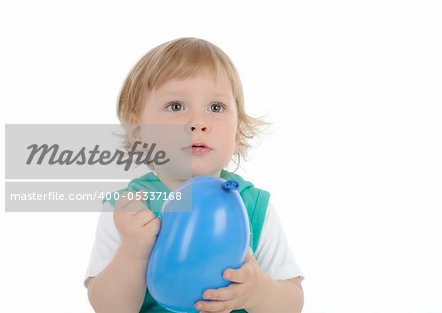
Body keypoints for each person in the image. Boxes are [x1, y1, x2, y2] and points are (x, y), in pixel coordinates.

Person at [85, 37, 304, 313]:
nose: (198, 123)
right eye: (176, 106)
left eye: (216, 108)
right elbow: (108, 308)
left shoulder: (254, 208)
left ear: (237, 131)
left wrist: (258, 292)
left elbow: (293, 302)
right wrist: (132, 252)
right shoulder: (129, 208)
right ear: (138, 131)